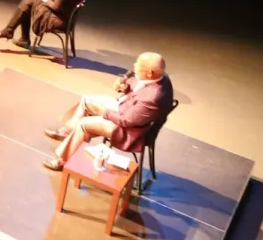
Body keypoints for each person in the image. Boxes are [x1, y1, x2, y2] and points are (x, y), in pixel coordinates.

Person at [42, 52, 174, 171]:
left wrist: (104, 112)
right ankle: (70, 133)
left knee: (84, 124)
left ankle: (63, 160)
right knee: (87, 101)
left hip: (128, 130)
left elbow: (126, 121)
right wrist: (125, 87)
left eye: (138, 66)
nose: (134, 67)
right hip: (126, 109)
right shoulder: (158, 76)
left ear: (150, 73)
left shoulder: (153, 97)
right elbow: (137, 89)